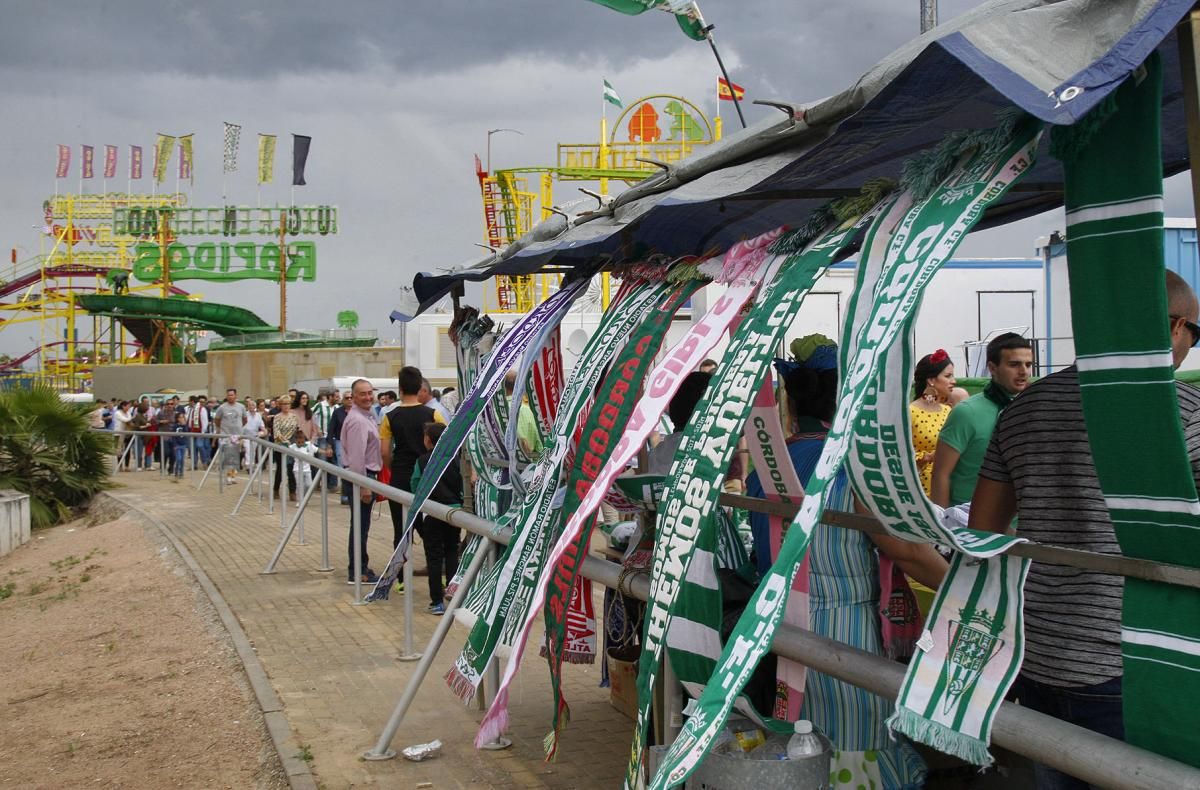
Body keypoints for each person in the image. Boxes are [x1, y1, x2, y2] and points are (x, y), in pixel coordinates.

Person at [969, 271, 1200, 790]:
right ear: (1177, 327)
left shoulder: (1022, 410)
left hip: (1039, 649)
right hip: (1138, 656)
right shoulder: (1183, 413)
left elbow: (983, 531)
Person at [745, 335, 944, 789]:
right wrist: (963, 587)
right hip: (845, 637)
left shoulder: (766, 466)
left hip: (780, 631)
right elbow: (908, 550)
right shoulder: (854, 466)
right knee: (856, 749)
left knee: (804, 747)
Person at [930, 333, 1033, 508]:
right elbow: (941, 474)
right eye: (1014, 364)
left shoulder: (1032, 408)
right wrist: (943, 525)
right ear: (992, 368)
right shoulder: (966, 413)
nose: (1023, 371)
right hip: (970, 523)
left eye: (1028, 364)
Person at [382, 366, 444, 553]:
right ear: (420, 389)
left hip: (400, 476)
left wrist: (392, 467)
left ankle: (400, 579)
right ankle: (437, 569)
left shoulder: (389, 417)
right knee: (431, 526)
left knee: (400, 529)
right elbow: (444, 445)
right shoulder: (433, 414)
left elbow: (384, 451)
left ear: (400, 389)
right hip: (427, 477)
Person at [411, 422, 462, 614]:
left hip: (432, 513)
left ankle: (437, 601)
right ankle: (453, 594)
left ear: (427, 440)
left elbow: (415, 484)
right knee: (452, 552)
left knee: (433, 557)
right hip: (454, 513)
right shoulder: (455, 458)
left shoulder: (422, 460)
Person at [342, 379, 381, 585]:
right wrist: (364, 486)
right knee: (359, 526)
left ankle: (360, 567)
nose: (367, 397)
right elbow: (357, 457)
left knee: (361, 525)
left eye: (369, 393)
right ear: (354, 396)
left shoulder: (367, 415)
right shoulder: (357, 420)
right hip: (362, 478)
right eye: (362, 394)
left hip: (366, 477)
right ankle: (357, 571)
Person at [909, 349, 956, 496]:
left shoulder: (948, 411)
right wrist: (927, 457)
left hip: (948, 488)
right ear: (931, 380)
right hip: (920, 490)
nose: (954, 381)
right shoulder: (910, 412)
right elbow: (900, 456)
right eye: (948, 376)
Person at [503, 370, 542, 459]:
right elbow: (540, 446)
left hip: (502, 463)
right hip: (528, 465)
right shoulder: (530, 411)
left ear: (503, 387)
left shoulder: (495, 411)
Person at [213, 387, 246, 485]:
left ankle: (233, 475)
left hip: (237, 436)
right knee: (228, 456)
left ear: (235, 396)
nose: (230, 397)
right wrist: (223, 429)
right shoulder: (222, 407)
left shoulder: (241, 407)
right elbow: (217, 420)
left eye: (232, 395)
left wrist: (238, 428)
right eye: (228, 395)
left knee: (235, 457)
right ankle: (228, 476)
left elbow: (244, 419)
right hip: (226, 435)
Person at [271, 395, 299, 502]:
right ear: (280, 405)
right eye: (284, 404)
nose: (286, 406)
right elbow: (276, 432)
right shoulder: (277, 417)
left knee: (291, 468)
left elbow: (296, 430)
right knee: (280, 469)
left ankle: (292, 491)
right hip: (280, 445)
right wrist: (283, 440)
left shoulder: (294, 417)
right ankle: (276, 489)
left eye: (288, 404)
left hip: (291, 445)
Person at [328, 392, 352, 505]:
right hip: (340, 442)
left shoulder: (358, 411)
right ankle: (345, 495)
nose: (349, 400)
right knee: (343, 469)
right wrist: (329, 445)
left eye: (352, 397)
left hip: (354, 443)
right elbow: (331, 428)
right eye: (347, 398)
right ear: (343, 400)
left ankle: (352, 494)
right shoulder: (338, 412)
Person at [243, 399, 267, 471]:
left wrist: (264, 431)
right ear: (247, 406)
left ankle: (252, 465)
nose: (251, 407)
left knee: (253, 451)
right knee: (248, 449)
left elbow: (261, 426)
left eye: (253, 405)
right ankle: (248, 466)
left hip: (255, 435)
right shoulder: (245, 414)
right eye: (249, 405)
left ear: (255, 406)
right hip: (246, 436)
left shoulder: (258, 415)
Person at [168, 412, 189, 482]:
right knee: (178, 459)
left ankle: (181, 473)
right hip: (177, 445)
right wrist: (175, 445)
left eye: (182, 417)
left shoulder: (185, 426)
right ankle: (176, 472)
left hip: (183, 444)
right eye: (180, 417)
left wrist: (184, 425)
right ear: (177, 418)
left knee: (182, 460)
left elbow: (186, 432)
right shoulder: (175, 426)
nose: (181, 419)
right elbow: (173, 436)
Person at [113, 400, 134, 470]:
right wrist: (130, 419)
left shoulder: (128, 412)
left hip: (127, 433)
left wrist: (130, 419)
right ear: (123, 406)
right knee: (119, 450)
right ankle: (120, 465)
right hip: (119, 433)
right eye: (128, 406)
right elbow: (125, 420)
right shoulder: (117, 413)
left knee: (128, 449)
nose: (129, 408)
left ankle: (127, 466)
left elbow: (129, 419)